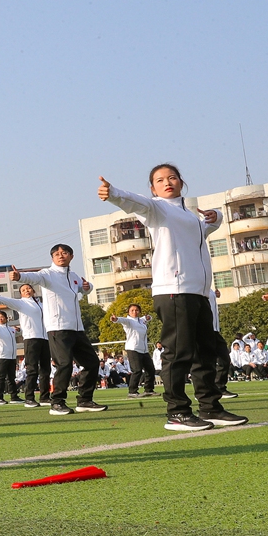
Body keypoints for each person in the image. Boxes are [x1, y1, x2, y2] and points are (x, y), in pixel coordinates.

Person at [100, 166, 248, 431]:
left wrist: (216, 217)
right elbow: (135, 202)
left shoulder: (188, 216)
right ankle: (177, 412)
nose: (167, 182)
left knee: (205, 353)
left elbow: (207, 228)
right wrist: (113, 194)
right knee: (177, 354)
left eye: (172, 177)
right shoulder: (157, 209)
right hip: (173, 290)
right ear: (153, 188)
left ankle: (210, 407)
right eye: (159, 180)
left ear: (181, 182)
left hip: (199, 292)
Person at [10, 245, 107, 416]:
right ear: (52, 258)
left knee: (92, 362)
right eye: (56, 254)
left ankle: (84, 400)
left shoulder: (73, 276)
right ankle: (57, 402)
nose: (60, 256)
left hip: (76, 328)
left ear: (71, 256)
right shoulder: (48, 274)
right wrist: (19, 276)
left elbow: (85, 287)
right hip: (58, 328)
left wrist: (87, 287)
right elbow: (33, 277)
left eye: (64, 253)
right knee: (64, 364)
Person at [0, 284, 50, 407]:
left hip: (44, 338)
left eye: (29, 289)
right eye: (23, 290)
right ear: (21, 293)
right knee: (32, 370)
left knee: (45, 369)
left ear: (33, 290)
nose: (27, 291)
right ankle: (29, 398)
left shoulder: (41, 304)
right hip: (31, 339)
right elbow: (7, 300)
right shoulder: (22, 303)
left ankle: (45, 397)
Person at [110, 304, 155, 398]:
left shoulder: (141, 320)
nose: (135, 312)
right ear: (129, 312)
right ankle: (132, 391)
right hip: (133, 349)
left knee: (150, 369)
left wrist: (148, 317)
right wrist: (115, 319)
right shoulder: (129, 321)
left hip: (144, 349)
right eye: (132, 310)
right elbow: (121, 320)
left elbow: (149, 318)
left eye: (137, 310)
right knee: (137, 370)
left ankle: (149, 390)